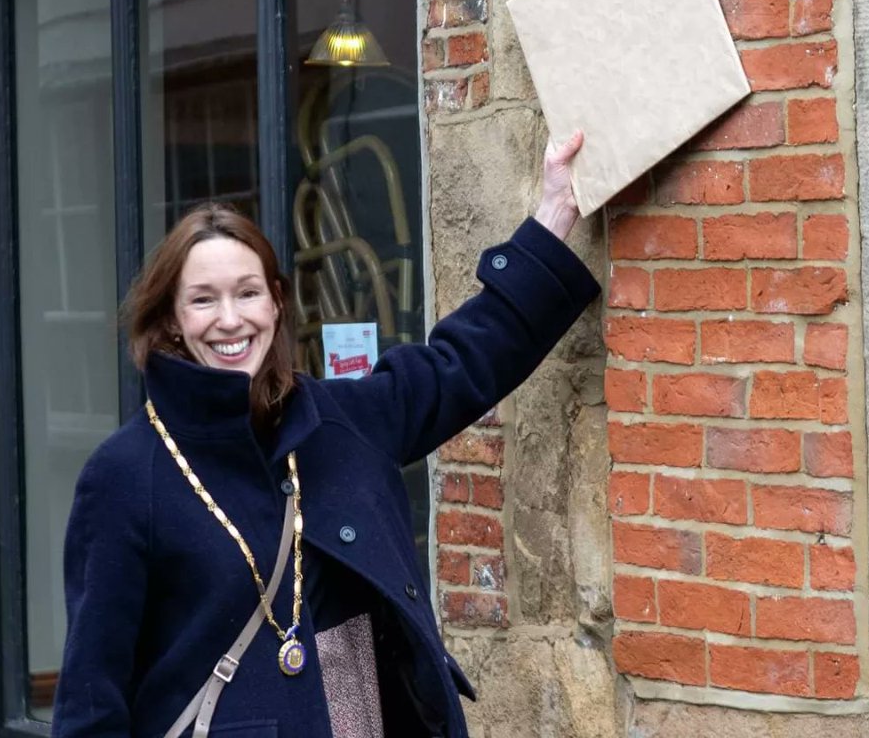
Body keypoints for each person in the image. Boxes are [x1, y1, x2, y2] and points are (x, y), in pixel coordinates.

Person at [52, 131, 599, 738]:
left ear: (276, 303)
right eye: (203, 300)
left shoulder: (339, 420)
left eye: (248, 293)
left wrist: (555, 212)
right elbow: (91, 701)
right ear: (173, 321)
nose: (230, 319)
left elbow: (465, 362)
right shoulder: (125, 474)